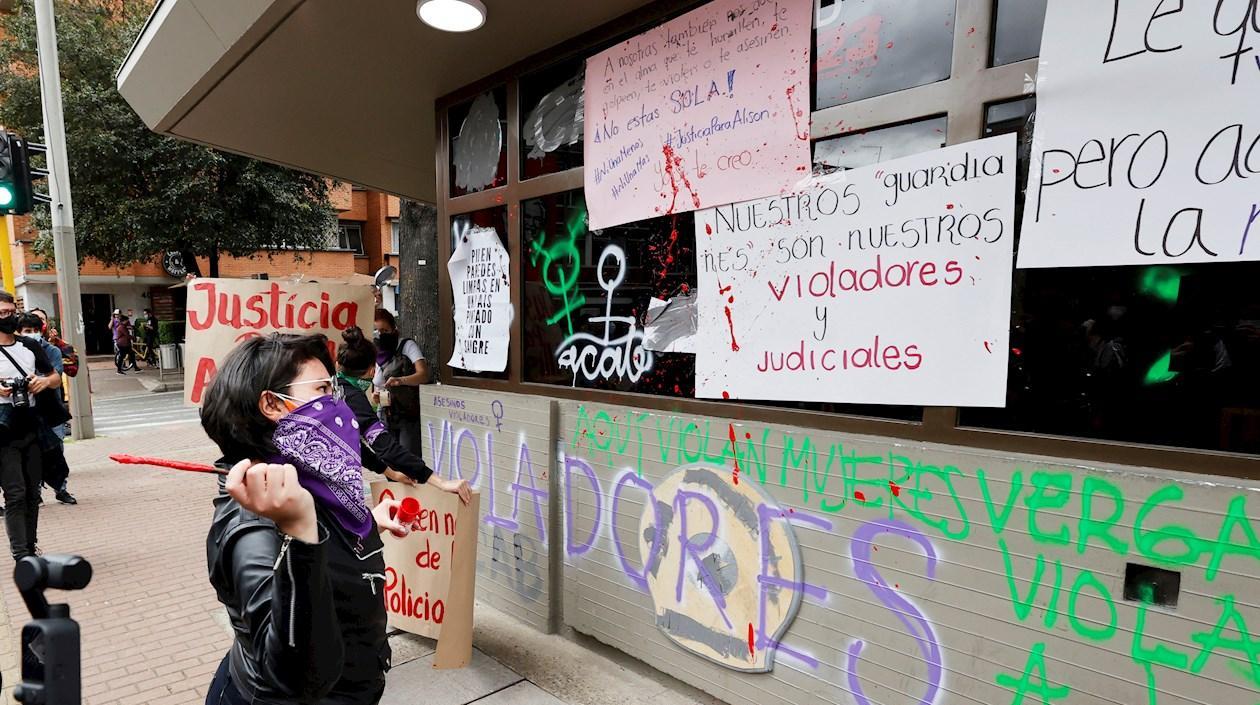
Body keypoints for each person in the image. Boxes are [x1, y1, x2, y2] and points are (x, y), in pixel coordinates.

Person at [199, 333, 466, 705]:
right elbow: (294, 677)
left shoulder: (308, 479)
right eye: (323, 389)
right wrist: (300, 535)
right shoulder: (252, 524)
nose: (339, 407)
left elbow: (328, 544)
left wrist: (370, 520)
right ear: (273, 404)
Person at [337, 326, 470, 501]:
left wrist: (391, 473)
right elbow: (386, 448)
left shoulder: (333, 389)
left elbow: (354, 446)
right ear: (371, 370)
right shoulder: (353, 398)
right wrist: (440, 482)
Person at [0, 292, 61, 559]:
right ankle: (21, 554)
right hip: (2, 430)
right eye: (1, 312)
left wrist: (43, 382)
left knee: (32, 492)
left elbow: (56, 377)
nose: (7, 317)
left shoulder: (30, 346)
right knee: (15, 493)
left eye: (11, 311)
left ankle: (31, 545)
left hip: (32, 425)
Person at [17, 313, 76, 505]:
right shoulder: (15, 352)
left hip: (51, 408)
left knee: (56, 449)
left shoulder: (52, 351)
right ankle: (35, 492)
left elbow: (55, 377)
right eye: (27, 331)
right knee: (31, 452)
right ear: (19, 332)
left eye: (35, 331)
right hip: (26, 410)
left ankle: (61, 489)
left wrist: (42, 380)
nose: (33, 335)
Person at [373, 309, 429, 456]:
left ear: (393, 329)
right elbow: (377, 382)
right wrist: (375, 395)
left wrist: (401, 381)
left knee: (408, 457)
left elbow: (423, 375)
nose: (381, 335)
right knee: (389, 459)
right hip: (385, 412)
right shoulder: (377, 353)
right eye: (377, 331)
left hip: (407, 413)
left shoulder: (407, 345)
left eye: (385, 330)